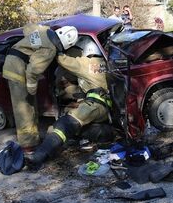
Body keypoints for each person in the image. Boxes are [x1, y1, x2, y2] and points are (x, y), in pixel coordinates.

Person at [26, 36, 111, 170]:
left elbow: (64, 61)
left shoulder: (87, 63)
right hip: (107, 107)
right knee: (82, 128)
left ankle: (39, 155)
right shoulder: (105, 62)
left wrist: (55, 48)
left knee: (65, 124)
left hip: (94, 106)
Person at [2, 24, 79, 153]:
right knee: (24, 109)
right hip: (17, 70)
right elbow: (33, 71)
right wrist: (32, 90)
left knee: (30, 107)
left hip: (12, 63)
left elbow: (27, 28)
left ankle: (34, 139)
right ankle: (28, 146)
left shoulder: (43, 30)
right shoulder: (50, 49)